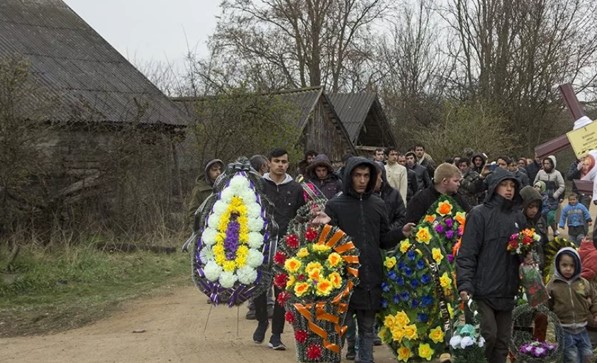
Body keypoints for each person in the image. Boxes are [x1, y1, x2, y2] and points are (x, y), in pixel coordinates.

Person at [313, 157, 414, 363]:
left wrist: (400, 233)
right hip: (343, 280)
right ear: (349, 176)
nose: (362, 180)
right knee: (338, 331)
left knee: (368, 331)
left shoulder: (377, 204)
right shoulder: (335, 206)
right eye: (357, 175)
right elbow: (326, 247)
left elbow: (383, 240)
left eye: (366, 176)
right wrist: (320, 228)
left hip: (370, 277)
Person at [456, 167, 527, 363]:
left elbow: (526, 251)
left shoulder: (518, 217)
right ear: (494, 187)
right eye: (504, 184)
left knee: (503, 343)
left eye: (512, 185)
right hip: (482, 290)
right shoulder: (479, 215)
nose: (509, 189)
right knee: (488, 337)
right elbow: (467, 253)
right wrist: (465, 284)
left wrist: (529, 255)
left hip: (507, 289)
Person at [253, 148, 305, 351]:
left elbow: (300, 216)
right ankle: (261, 321)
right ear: (269, 163)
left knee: (282, 293)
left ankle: (276, 335)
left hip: (285, 246)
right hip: (261, 244)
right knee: (258, 288)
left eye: (284, 161)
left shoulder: (295, 188)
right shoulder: (259, 185)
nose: (281, 165)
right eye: (276, 161)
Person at [547, 247, 597, 363]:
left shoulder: (583, 283)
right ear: (558, 265)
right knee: (572, 357)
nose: (568, 269)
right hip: (564, 329)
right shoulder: (553, 285)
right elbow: (546, 303)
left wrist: (595, 313)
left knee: (587, 354)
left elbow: (594, 298)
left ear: (578, 266)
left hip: (582, 327)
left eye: (572, 266)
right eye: (564, 265)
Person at [405, 162, 470, 225]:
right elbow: (411, 225)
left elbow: (469, 217)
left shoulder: (458, 198)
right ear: (444, 181)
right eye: (455, 181)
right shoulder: (420, 199)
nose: (459, 184)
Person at [186, 158, 224, 231]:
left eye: (219, 169)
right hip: (206, 229)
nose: (218, 172)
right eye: (214, 170)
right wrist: (196, 230)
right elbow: (193, 213)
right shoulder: (199, 190)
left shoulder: (225, 187)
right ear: (208, 172)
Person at [534, 155, 566, 237]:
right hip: (542, 197)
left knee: (551, 215)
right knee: (543, 215)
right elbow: (535, 182)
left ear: (552, 164)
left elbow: (562, 185)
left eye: (548, 163)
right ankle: (545, 234)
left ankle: (555, 230)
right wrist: (537, 189)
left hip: (552, 198)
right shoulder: (540, 172)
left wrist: (556, 195)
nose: (546, 165)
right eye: (544, 163)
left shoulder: (557, 173)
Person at [520, 185, 549, 271]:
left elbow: (545, 244)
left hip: (540, 269)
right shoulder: (517, 224)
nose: (534, 210)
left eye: (537, 207)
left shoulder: (540, 221)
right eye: (531, 206)